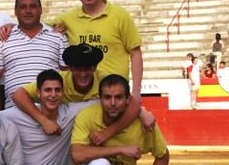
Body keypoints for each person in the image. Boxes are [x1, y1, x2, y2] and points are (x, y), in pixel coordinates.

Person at [12, 44, 148, 145]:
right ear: (70, 68)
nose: (83, 74)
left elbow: (131, 103)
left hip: (91, 135)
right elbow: (18, 94)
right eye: (78, 69)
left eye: (88, 68)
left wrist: (108, 132)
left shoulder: (105, 80)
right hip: (62, 136)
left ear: (95, 68)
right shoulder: (59, 81)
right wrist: (44, 120)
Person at [50, 0, 144, 101]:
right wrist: (11, 26)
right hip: (84, 95)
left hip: (114, 93)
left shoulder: (120, 15)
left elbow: (135, 53)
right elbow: (37, 26)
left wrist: (136, 91)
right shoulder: (68, 18)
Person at [0, 0, 68, 108]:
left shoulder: (58, 37)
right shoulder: (3, 38)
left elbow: (66, 75)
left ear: (40, 9)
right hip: (14, 113)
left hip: (50, 111)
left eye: (33, 6)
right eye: (23, 7)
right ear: (15, 11)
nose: (28, 11)